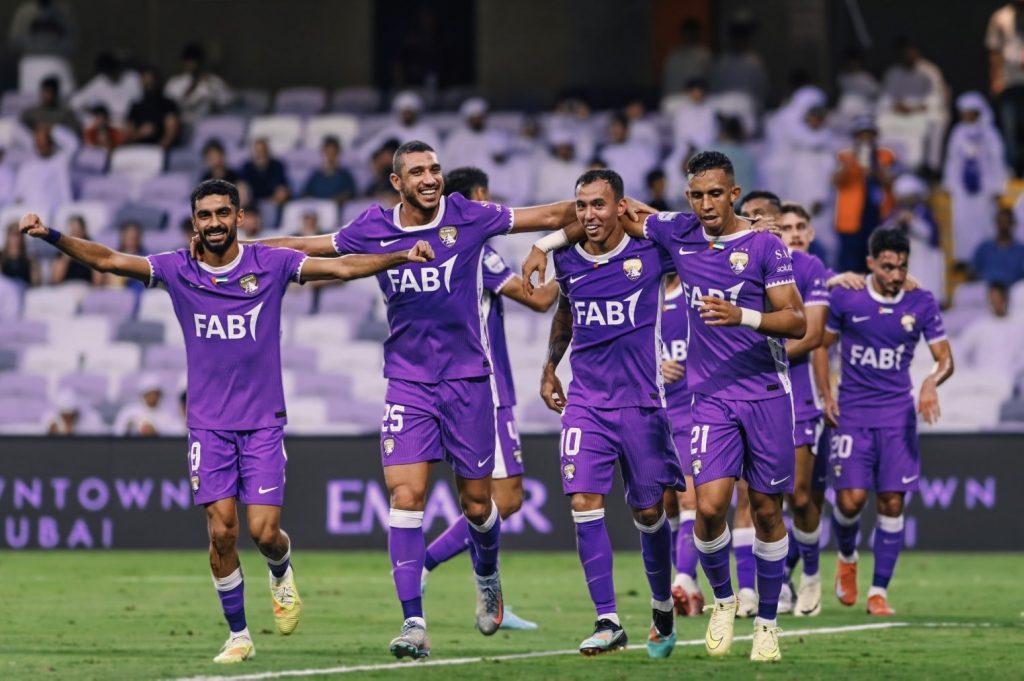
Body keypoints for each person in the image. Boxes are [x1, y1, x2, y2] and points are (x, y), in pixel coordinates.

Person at [19, 178, 434, 663]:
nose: (214, 222)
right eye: (205, 215)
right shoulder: (178, 268)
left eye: (222, 213)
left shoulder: (271, 263)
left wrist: (399, 256)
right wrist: (51, 235)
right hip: (207, 425)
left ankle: (280, 568)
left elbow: (341, 267)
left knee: (264, 533)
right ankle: (239, 634)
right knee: (221, 532)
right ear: (194, 222)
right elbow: (109, 260)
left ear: (239, 217)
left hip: (262, 423)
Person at [248, 140, 608, 660]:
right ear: (397, 182)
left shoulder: (469, 216)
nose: (430, 177)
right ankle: (413, 623)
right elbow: (312, 245)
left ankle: (488, 577)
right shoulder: (373, 226)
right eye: (417, 171)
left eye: (435, 168)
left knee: (479, 504)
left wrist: (554, 242)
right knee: (406, 497)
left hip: (468, 382)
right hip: (408, 384)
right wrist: (243, 250)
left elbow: (555, 214)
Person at [526, 151, 806, 662]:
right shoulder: (675, 233)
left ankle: (766, 622)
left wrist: (742, 313)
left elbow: (798, 320)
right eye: (696, 195)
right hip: (704, 396)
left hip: (761, 392)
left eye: (715, 194)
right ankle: (712, 601)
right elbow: (612, 214)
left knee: (763, 510)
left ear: (733, 194)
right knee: (707, 508)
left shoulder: (759, 244)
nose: (705, 204)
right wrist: (544, 244)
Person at [536, 169, 682, 657]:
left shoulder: (651, 251)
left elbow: (690, 231)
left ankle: (662, 606)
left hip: (642, 403)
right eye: (581, 205)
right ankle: (608, 620)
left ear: (622, 206)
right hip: (587, 403)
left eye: (599, 204)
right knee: (583, 501)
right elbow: (566, 311)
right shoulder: (567, 259)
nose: (588, 214)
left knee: (649, 511)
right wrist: (550, 367)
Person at [420, 166, 559, 631]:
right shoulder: (476, 250)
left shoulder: (453, 248)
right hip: (487, 389)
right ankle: (425, 566)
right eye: (487, 196)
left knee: (495, 502)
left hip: (480, 384)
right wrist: (578, 268)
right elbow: (538, 300)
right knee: (505, 499)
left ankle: (490, 596)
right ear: (477, 198)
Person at [822, 227, 953, 616]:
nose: (896, 275)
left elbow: (945, 359)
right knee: (850, 500)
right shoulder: (847, 297)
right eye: (888, 267)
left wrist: (930, 381)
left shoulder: (921, 301)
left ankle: (878, 591)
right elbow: (821, 348)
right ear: (871, 264)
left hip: (897, 416)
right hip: (853, 412)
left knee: (892, 501)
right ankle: (847, 556)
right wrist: (826, 394)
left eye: (902, 267)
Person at [775, 202, 833, 616]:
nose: (793, 234)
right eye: (786, 227)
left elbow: (813, 335)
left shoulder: (811, 268)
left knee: (800, 495)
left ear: (809, 233)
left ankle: (811, 575)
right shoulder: (754, 264)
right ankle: (777, 582)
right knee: (765, 496)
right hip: (757, 391)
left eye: (800, 226)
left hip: (800, 393)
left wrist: (763, 355)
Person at [660, 271, 704, 618]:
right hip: (652, 414)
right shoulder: (638, 291)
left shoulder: (695, 294)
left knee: (689, 498)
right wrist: (653, 364)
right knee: (666, 505)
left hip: (691, 411)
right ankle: (688, 587)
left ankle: (683, 579)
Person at [942, 92, 1007, 264]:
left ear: (978, 112)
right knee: (962, 221)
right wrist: (949, 183)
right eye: (963, 113)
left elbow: (997, 160)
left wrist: (998, 187)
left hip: (985, 185)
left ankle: (986, 257)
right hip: (962, 186)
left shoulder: (990, 133)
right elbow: (952, 159)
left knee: (985, 221)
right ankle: (964, 258)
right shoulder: (958, 132)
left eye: (969, 112)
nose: (966, 116)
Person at [833, 116, 897, 274]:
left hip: (878, 217)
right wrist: (852, 159)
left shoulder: (885, 156)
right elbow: (835, 180)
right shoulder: (844, 156)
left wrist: (875, 168)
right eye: (861, 135)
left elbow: (891, 181)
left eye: (869, 135)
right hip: (851, 220)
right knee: (850, 265)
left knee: (876, 261)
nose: (866, 139)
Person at [986, 0, 1024, 175]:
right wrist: (995, 79)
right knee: (1009, 128)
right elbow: (995, 51)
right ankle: (1011, 168)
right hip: (1009, 79)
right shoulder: (1001, 17)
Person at [956, 283, 1024, 372]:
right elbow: (960, 351)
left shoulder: (1019, 323)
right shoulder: (979, 326)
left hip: (1012, 375)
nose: (995, 304)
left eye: (998, 299)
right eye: (992, 300)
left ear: (1006, 299)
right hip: (985, 376)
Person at [164, 43, 232, 125]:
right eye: (189, 61)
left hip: (207, 124)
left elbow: (226, 101)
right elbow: (170, 105)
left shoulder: (213, 81)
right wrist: (190, 88)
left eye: (195, 61)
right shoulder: (175, 82)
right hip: (183, 124)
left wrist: (212, 88)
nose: (193, 64)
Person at [69, 51, 142, 125]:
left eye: (115, 71)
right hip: (108, 126)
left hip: (131, 124)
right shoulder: (100, 82)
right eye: (109, 74)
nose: (113, 76)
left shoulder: (132, 78)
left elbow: (141, 101)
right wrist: (94, 114)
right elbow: (74, 103)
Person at [125, 66, 182, 149]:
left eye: (151, 80)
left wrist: (158, 149)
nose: (148, 83)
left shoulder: (168, 104)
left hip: (162, 149)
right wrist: (140, 133)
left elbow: (171, 133)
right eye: (145, 80)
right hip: (138, 148)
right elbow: (129, 135)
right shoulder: (136, 106)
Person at [113, 374, 185, 436]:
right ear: (143, 395)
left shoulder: (167, 416)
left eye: (156, 394)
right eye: (149, 394)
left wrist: (155, 432)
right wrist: (129, 427)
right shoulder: (128, 412)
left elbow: (176, 434)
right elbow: (117, 433)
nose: (153, 397)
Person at [661, 17, 711, 98]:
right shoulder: (673, 55)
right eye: (687, 32)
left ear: (697, 34)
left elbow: (709, 81)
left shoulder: (704, 55)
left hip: (696, 101)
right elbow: (666, 83)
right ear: (682, 34)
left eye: (692, 33)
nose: (689, 36)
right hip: (673, 99)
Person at [973, 206, 1024, 285]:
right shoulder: (984, 247)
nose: (1003, 226)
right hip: (986, 288)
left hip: (1012, 289)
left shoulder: (1020, 250)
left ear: (1013, 223)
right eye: (1000, 222)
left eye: (1006, 222)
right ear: (996, 223)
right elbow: (973, 271)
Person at [302, 136, 356, 205]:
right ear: (323, 153)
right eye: (327, 153)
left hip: (336, 208)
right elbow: (306, 193)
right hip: (316, 208)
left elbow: (351, 193)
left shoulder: (345, 176)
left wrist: (338, 199)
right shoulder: (316, 176)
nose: (330, 156)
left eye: (333, 153)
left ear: (338, 153)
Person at [50, 214, 102, 285]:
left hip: (86, 286)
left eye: (77, 231)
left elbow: (98, 282)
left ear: (83, 231)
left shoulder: (93, 249)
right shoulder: (61, 250)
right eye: (73, 231)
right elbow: (55, 280)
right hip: (66, 287)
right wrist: (67, 251)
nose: (75, 235)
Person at [1, 222, 41, 286]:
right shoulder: (2, 256)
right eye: (13, 236)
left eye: (18, 236)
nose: (16, 239)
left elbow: (36, 283)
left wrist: (34, 266)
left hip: (24, 288)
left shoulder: (29, 258)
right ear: (8, 237)